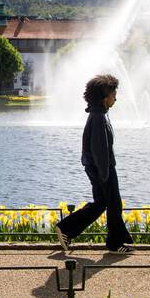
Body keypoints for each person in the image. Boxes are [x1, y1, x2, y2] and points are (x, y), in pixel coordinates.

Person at [56, 74, 134, 253]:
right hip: (103, 169)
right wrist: (105, 175)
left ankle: (67, 229)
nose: (116, 97)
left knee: (103, 203)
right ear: (105, 97)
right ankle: (115, 243)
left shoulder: (98, 115)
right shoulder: (98, 118)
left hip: (99, 167)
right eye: (114, 94)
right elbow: (99, 149)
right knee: (113, 204)